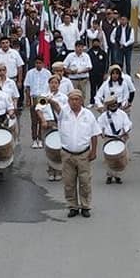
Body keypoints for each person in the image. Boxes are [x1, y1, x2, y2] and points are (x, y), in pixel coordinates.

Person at [50, 89, 101, 217]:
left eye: (77, 99)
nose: (74, 102)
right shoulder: (63, 113)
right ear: (68, 101)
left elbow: (94, 134)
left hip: (83, 154)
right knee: (69, 182)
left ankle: (85, 206)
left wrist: (93, 151)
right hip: (67, 154)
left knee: (85, 181)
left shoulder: (88, 115)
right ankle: (72, 206)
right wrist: (50, 100)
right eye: (71, 99)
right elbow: (56, 107)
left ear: (81, 100)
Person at [97, 94, 132, 184]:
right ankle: (109, 176)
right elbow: (99, 125)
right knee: (109, 158)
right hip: (109, 138)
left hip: (121, 137)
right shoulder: (104, 116)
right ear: (108, 106)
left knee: (120, 158)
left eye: (115, 104)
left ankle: (117, 176)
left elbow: (127, 123)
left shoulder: (122, 114)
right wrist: (101, 133)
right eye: (111, 105)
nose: (114, 106)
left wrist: (126, 131)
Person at [23, 56, 51, 148]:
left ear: (43, 63)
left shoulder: (47, 73)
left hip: (43, 98)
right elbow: (27, 87)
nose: (38, 64)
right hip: (34, 97)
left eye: (40, 63)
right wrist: (27, 99)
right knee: (34, 120)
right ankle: (34, 139)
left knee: (42, 119)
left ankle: (41, 139)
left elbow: (50, 86)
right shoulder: (30, 73)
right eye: (36, 63)